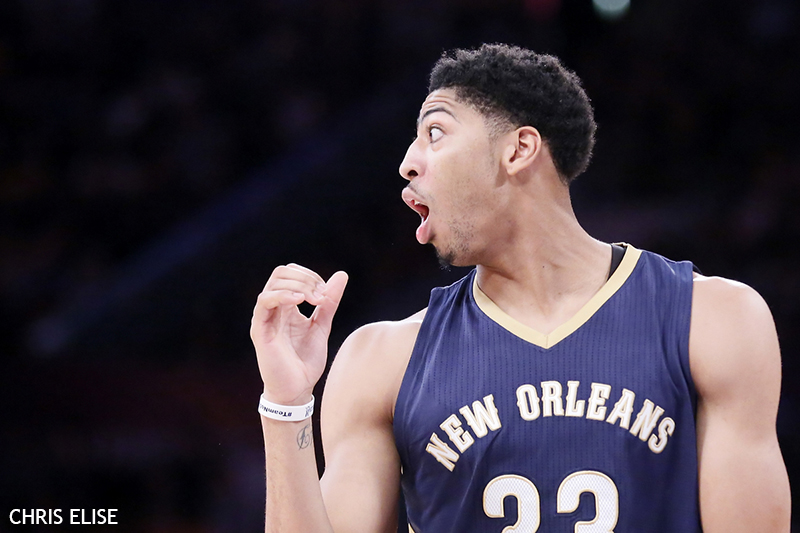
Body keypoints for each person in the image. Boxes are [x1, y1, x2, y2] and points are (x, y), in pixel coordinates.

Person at [250, 44, 790, 532]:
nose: (407, 162)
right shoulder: (381, 359)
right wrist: (287, 405)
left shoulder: (712, 318)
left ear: (518, 149)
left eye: (435, 133)